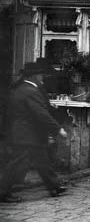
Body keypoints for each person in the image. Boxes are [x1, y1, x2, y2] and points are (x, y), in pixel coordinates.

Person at [0, 59, 68, 202]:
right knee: (17, 165)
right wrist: (57, 129)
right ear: (34, 77)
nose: (42, 79)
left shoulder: (20, 89)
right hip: (27, 134)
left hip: (26, 133)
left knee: (42, 161)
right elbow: (41, 114)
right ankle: (2, 191)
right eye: (41, 76)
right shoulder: (31, 91)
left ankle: (55, 186)